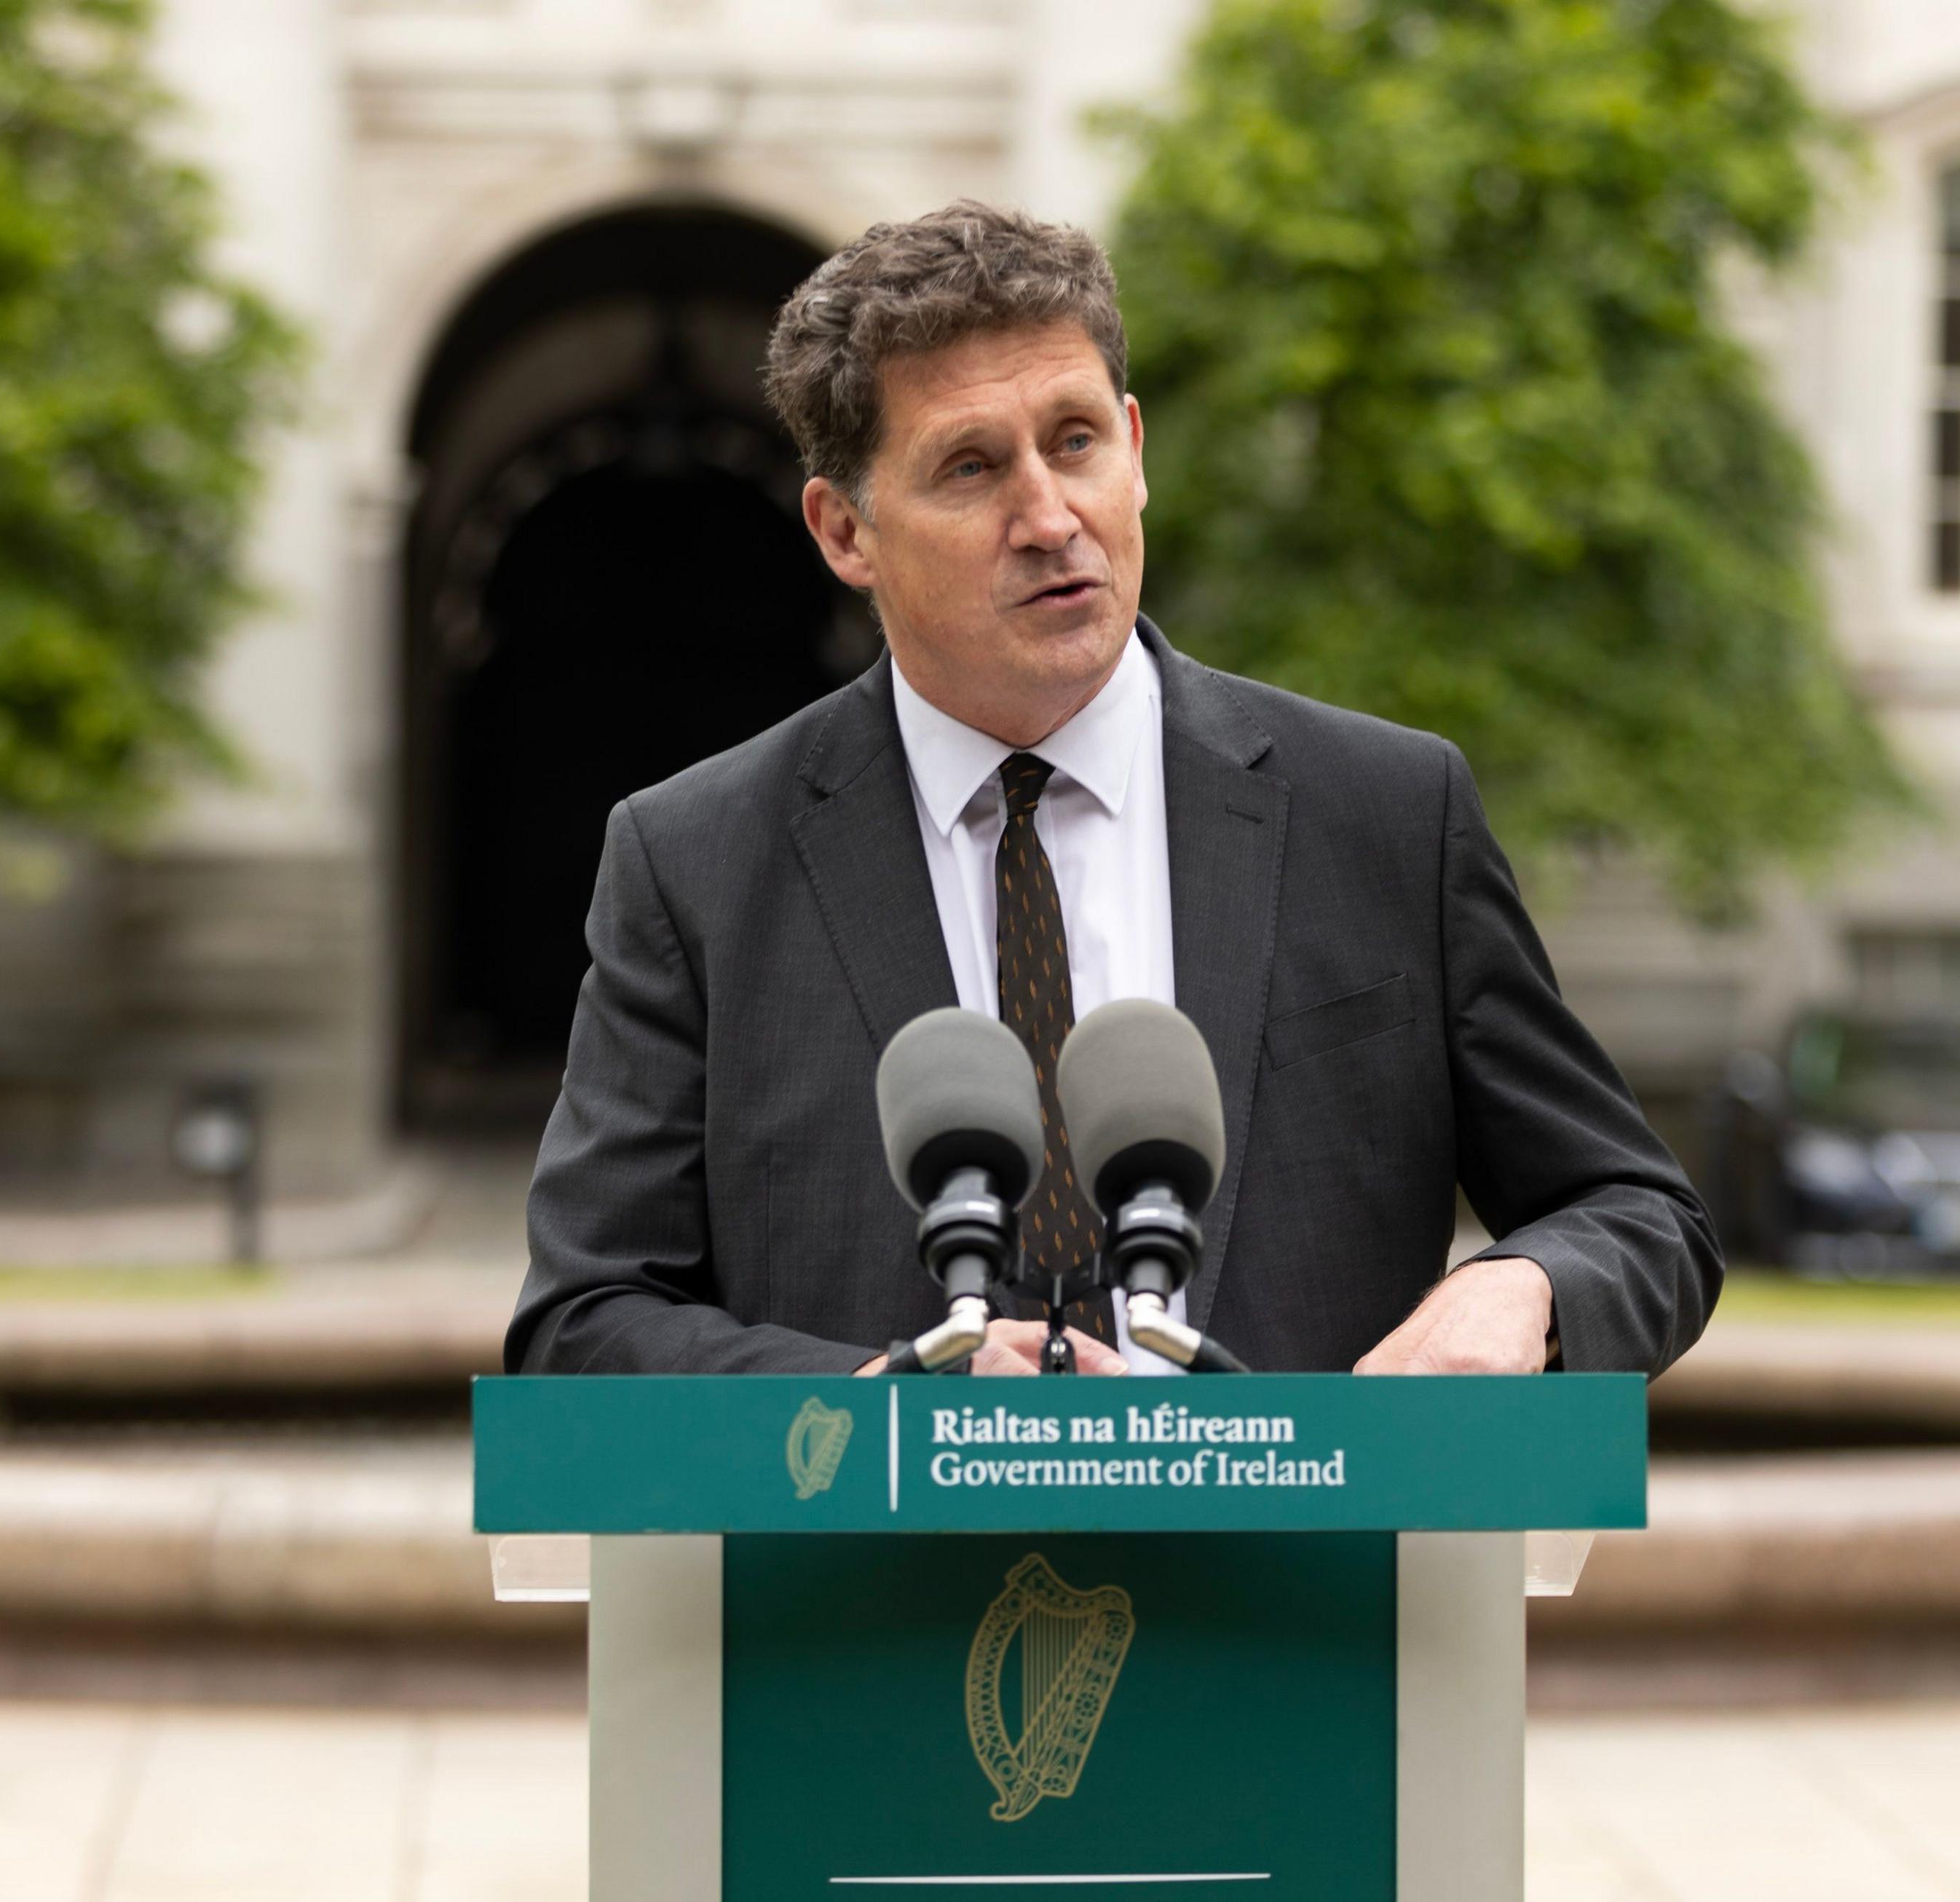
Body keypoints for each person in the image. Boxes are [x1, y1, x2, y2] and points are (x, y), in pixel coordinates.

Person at [505, 201, 1720, 1379]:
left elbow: (1636, 1212)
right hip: (878, 1580)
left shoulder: (1389, 812)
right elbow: (587, 1321)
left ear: (1136, 449)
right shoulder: (696, 863)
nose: (1048, 515)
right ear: (844, 532)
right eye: (971, 467)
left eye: (1075, 441)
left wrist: (1524, 1289)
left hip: (1298, 1578)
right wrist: (874, 1402)